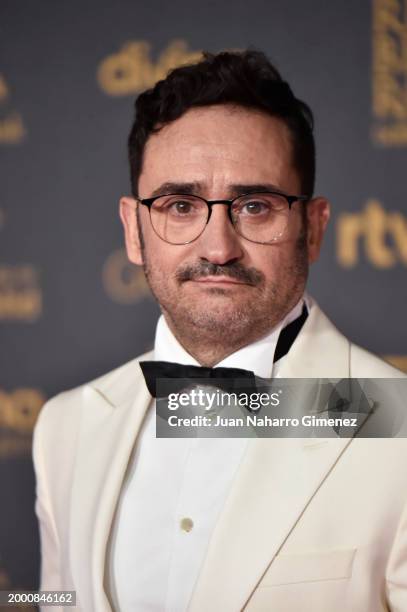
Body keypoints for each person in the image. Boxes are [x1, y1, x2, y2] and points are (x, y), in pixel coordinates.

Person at [32, 50, 407, 612]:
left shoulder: (398, 429)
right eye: (180, 205)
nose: (217, 247)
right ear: (135, 230)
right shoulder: (66, 425)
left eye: (255, 206)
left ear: (313, 229)